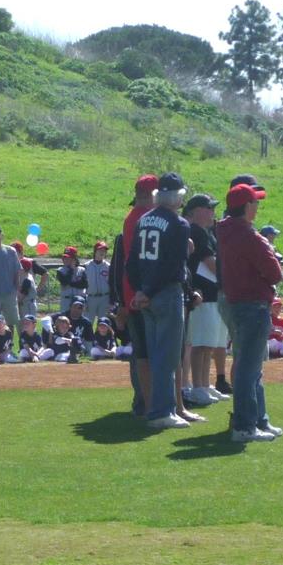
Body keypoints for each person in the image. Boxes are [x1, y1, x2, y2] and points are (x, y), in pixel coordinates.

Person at [215, 181, 283, 442]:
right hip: (252, 304)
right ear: (246, 206)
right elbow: (275, 273)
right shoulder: (249, 236)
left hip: (235, 302)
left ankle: (257, 420)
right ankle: (245, 426)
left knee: (248, 366)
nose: (257, 206)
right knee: (249, 368)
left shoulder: (224, 231)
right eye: (255, 202)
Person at [127, 172, 197, 429]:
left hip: (146, 294)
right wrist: (150, 290)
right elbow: (173, 266)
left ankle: (160, 408)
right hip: (166, 293)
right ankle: (162, 411)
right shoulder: (179, 224)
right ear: (178, 197)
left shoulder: (143, 220)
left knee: (156, 354)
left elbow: (131, 262)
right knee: (167, 357)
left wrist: (140, 291)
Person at [115, 175, 159, 417]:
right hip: (143, 293)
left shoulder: (133, 217)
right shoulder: (143, 218)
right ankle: (149, 404)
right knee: (147, 354)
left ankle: (145, 403)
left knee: (142, 352)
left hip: (133, 293)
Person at [183, 194, 226, 406]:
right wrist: (228, 278)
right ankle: (197, 385)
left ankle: (204, 383)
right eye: (208, 208)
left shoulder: (206, 232)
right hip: (202, 294)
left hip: (210, 293)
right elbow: (210, 263)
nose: (212, 212)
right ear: (197, 210)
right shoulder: (196, 231)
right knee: (200, 344)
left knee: (208, 344)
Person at [83, 242, 112, 322]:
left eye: (104, 250)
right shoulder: (86, 266)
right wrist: (84, 299)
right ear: (95, 251)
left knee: (103, 323)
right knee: (88, 322)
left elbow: (111, 283)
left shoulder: (108, 266)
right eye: (100, 250)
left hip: (104, 298)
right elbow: (82, 285)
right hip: (91, 298)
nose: (102, 252)